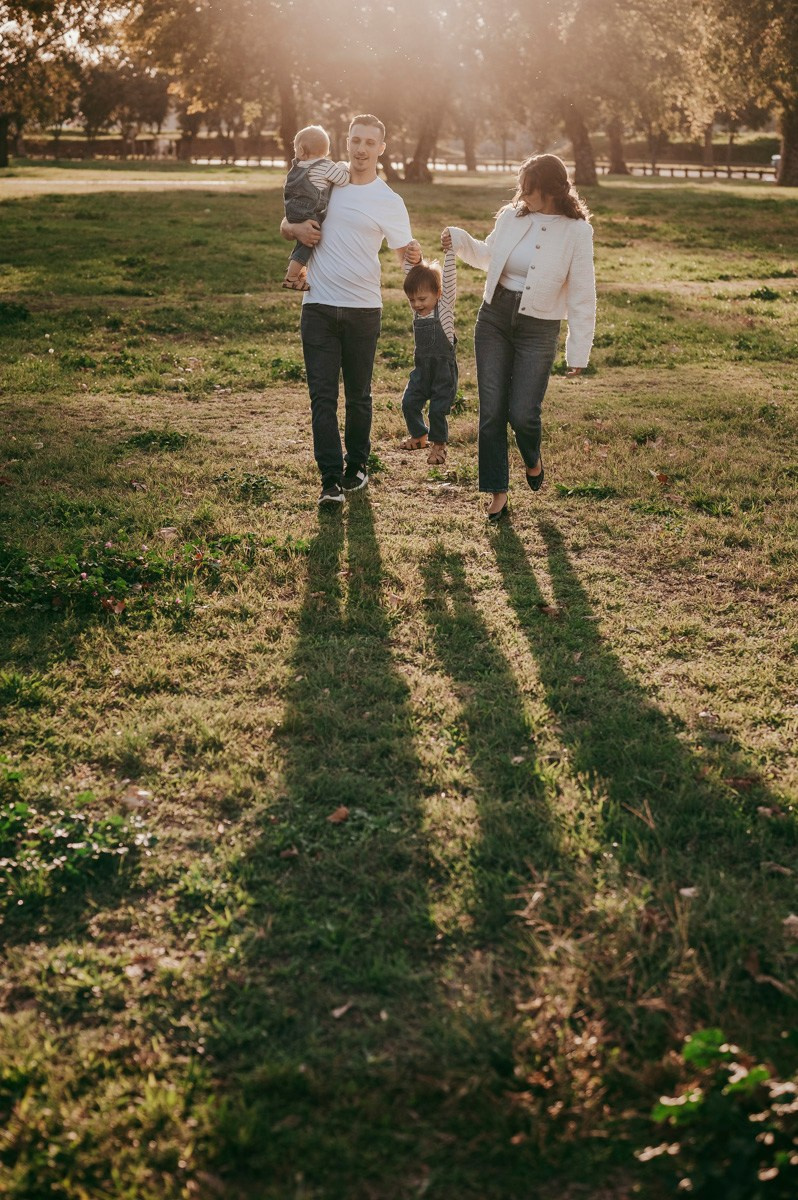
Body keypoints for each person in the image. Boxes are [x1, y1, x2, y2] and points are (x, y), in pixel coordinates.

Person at [443, 153, 596, 521]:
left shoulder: (577, 232)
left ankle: (532, 456)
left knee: (524, 413)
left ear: (552, 190)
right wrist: (461, 240)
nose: (522, 196)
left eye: (530, 190)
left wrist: (578, 351)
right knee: (492, 411)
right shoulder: (511, 217)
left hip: (538, 327)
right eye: (521, 189)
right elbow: (488, 257)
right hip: (494, 317)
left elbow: (581, 293)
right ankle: (497, 491)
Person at [280, 114, 420, 505]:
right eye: (356, 140)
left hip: (362, 309)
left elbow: (405, 260)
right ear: (346, 141)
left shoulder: (389, 201)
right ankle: (329, 480)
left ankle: (357, 465)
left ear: (381, 148)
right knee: (322, 397)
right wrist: (295, 231)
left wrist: (418, 262)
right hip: (319, 306)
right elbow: (286, 222)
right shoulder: (327, 175)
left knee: (358, 396)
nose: (361, 149)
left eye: (369, 143)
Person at [400, 249, 458, 466]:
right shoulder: (418, 312)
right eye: (412, 300)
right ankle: (419, 435)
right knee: (409, 403)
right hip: (422, 369)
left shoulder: (444, 312)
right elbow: (410, 277)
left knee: (437, 410)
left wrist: (450, 253)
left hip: (443, 371)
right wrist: (412, 255)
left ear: (438, 293)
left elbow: (450, 282)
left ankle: (438, 446)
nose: (417, 304)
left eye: (422, 299)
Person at [282, 125, 349, 290]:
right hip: (311, 212)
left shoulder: (297, 167)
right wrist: (342, 166)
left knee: (301, 243)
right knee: (308, 244)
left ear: (301, 149)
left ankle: (298, 272)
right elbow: (343, 179)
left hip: (292, 211)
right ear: (326, 151)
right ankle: (291, 277)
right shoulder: (325, 166)